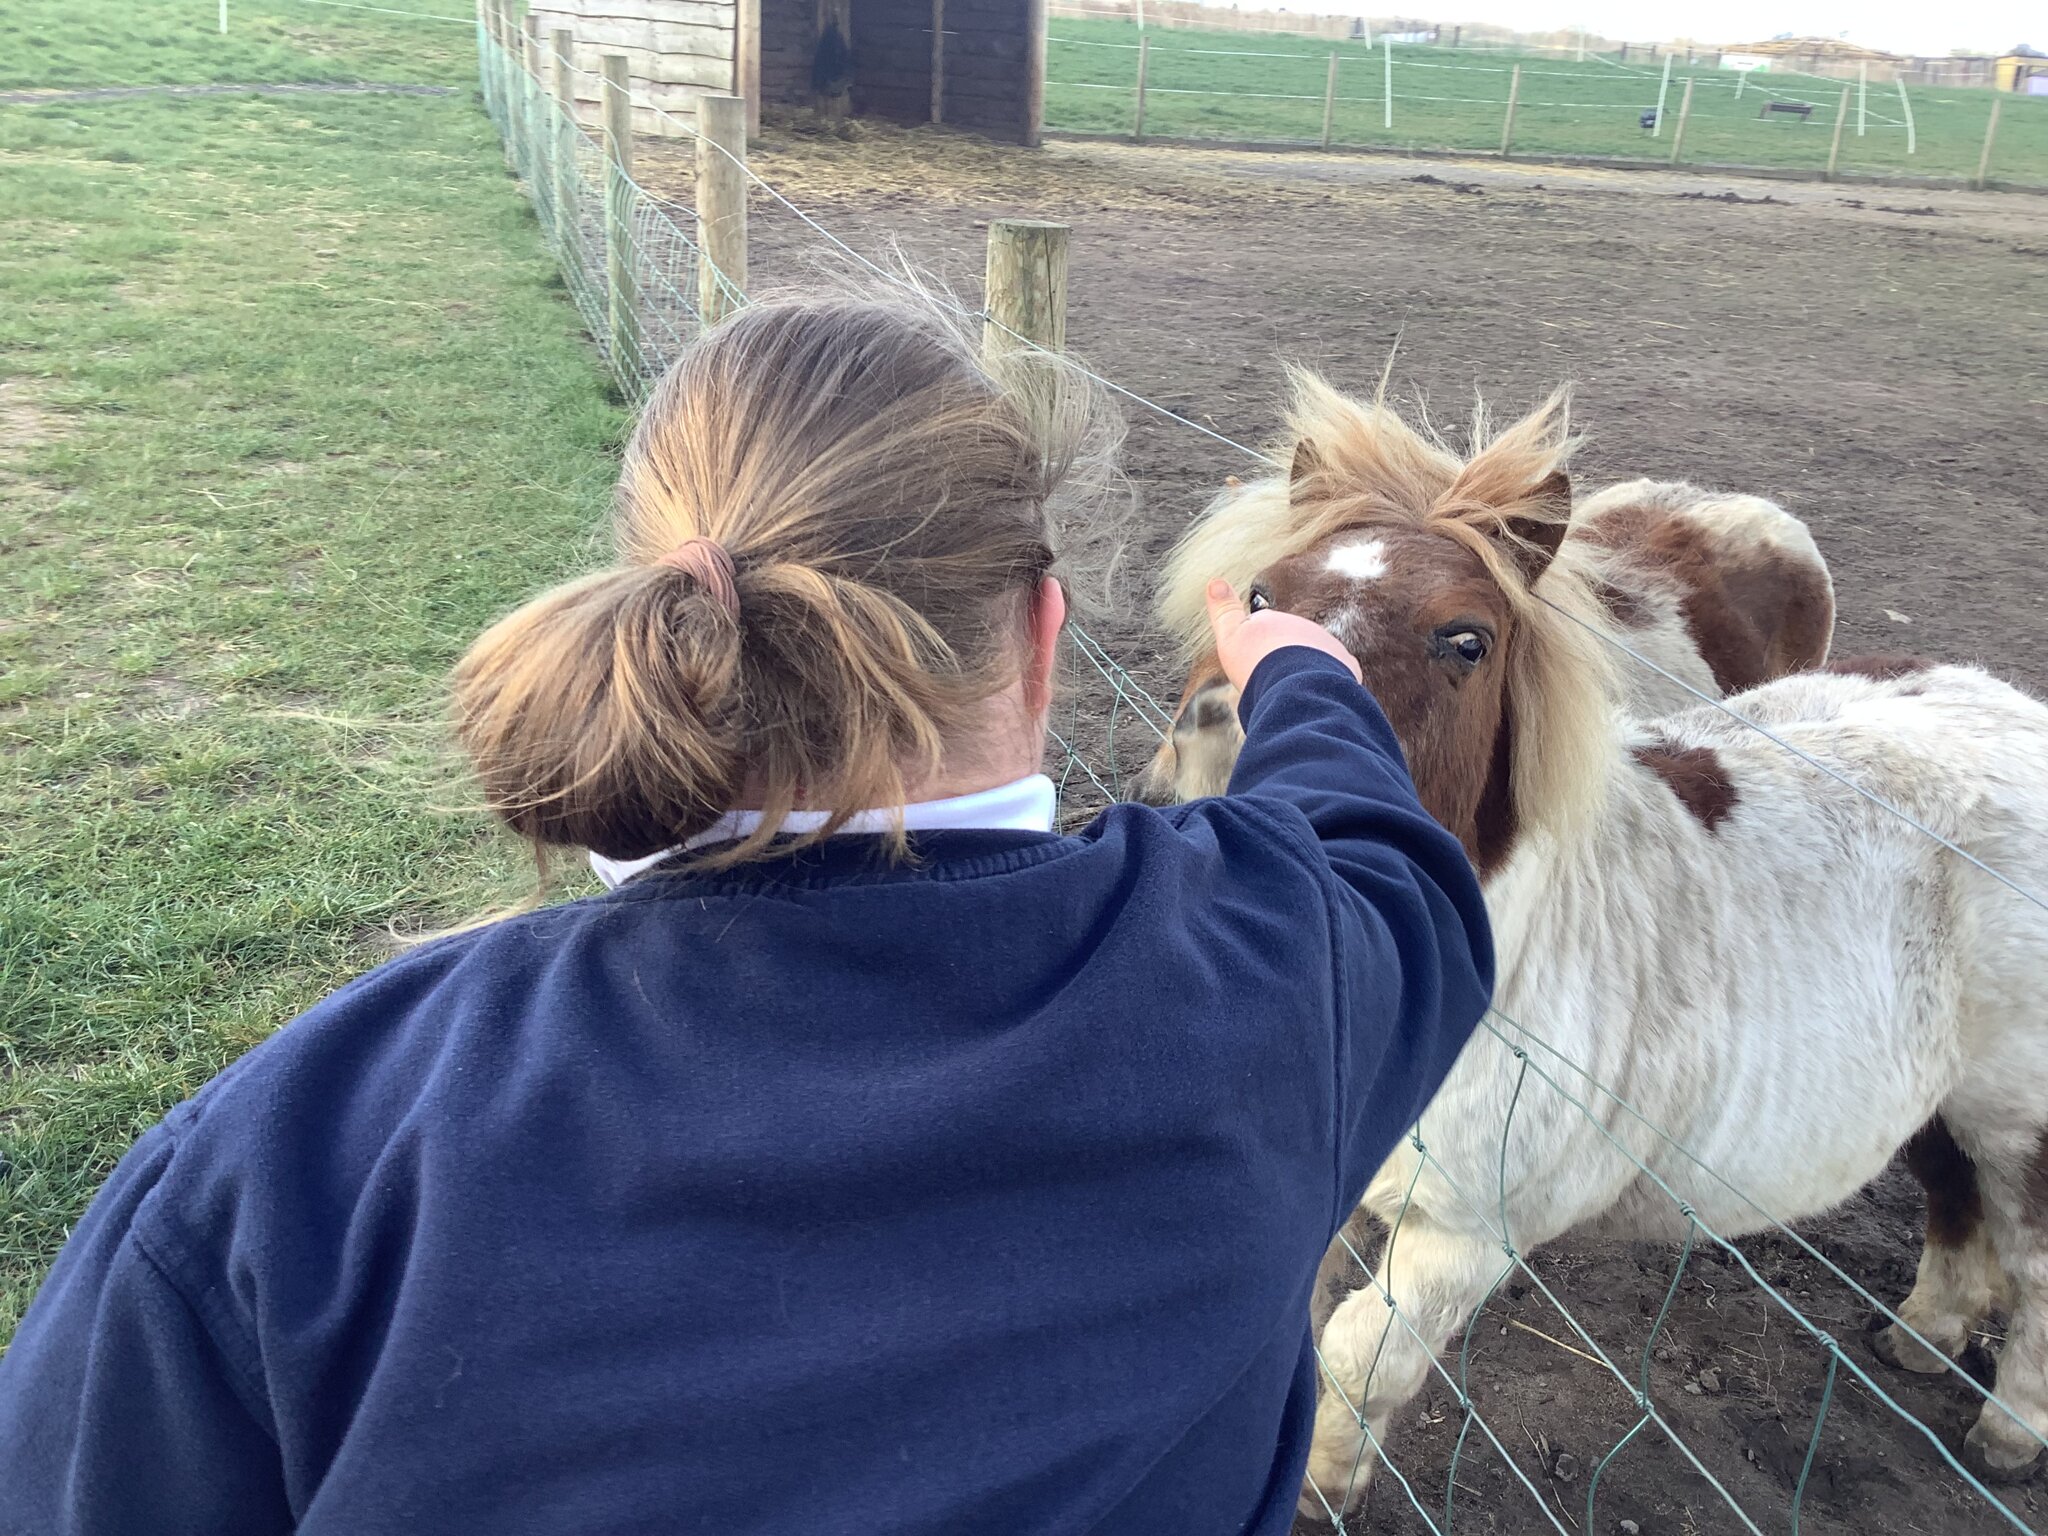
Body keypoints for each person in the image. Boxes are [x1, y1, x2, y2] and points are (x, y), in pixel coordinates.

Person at [0, 294, 1492, 1535]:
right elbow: (1380, 849)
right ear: (1043, 640)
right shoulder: (1284, 976)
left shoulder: (299, 1154)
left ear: (657, 624)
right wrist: (1299, 669)